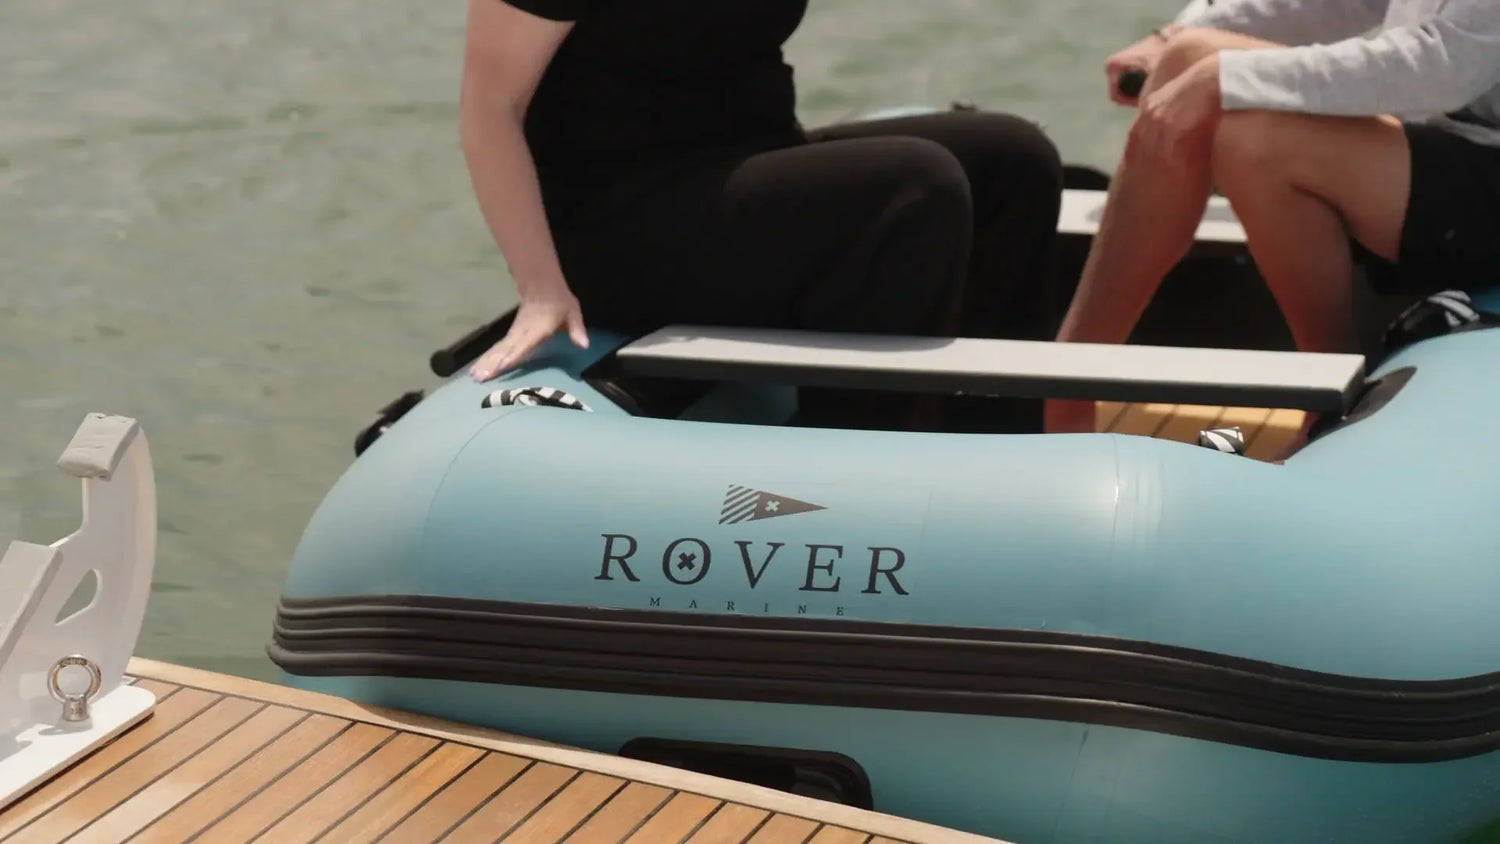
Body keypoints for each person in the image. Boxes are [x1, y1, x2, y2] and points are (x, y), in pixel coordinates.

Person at [458, 0, 1065, 431]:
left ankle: (993, 440)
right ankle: (853, 478)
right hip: (623, 219)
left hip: (741, 166)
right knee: (916, 187)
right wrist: (539, 286)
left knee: (1014, 160)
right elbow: (491, 105)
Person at [1045, 0, 1500, 451]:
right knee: (1189, 55)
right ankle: (1069, 386)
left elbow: (1441, 67)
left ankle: (1331, 401)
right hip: (1440, 143)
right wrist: (1176, 39)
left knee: (1256, 143)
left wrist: (1226, 78)